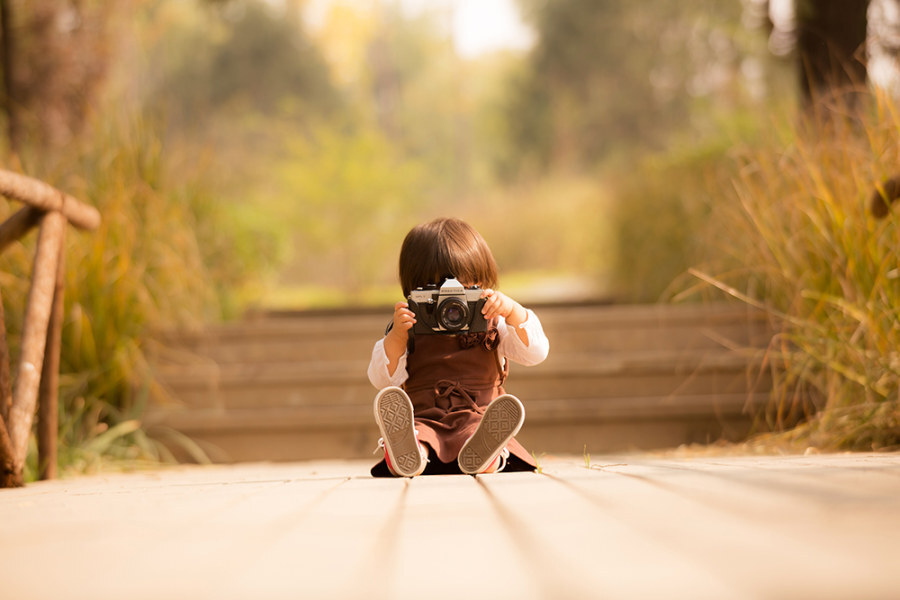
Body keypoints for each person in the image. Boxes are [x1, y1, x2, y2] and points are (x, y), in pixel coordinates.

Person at [367, 217, 549, 477]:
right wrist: (396, 338)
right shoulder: (411, 326)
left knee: (479, 432)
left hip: (479, 417)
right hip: (424, 416)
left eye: (466, 289)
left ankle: (486, 457)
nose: (452, 304)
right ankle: (411, 453)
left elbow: (536, 353)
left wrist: (513, 312)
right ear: (414, 290)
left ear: (483, 282)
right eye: (436, 290)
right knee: (418, 432)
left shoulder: (492, 319)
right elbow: (381, 380)